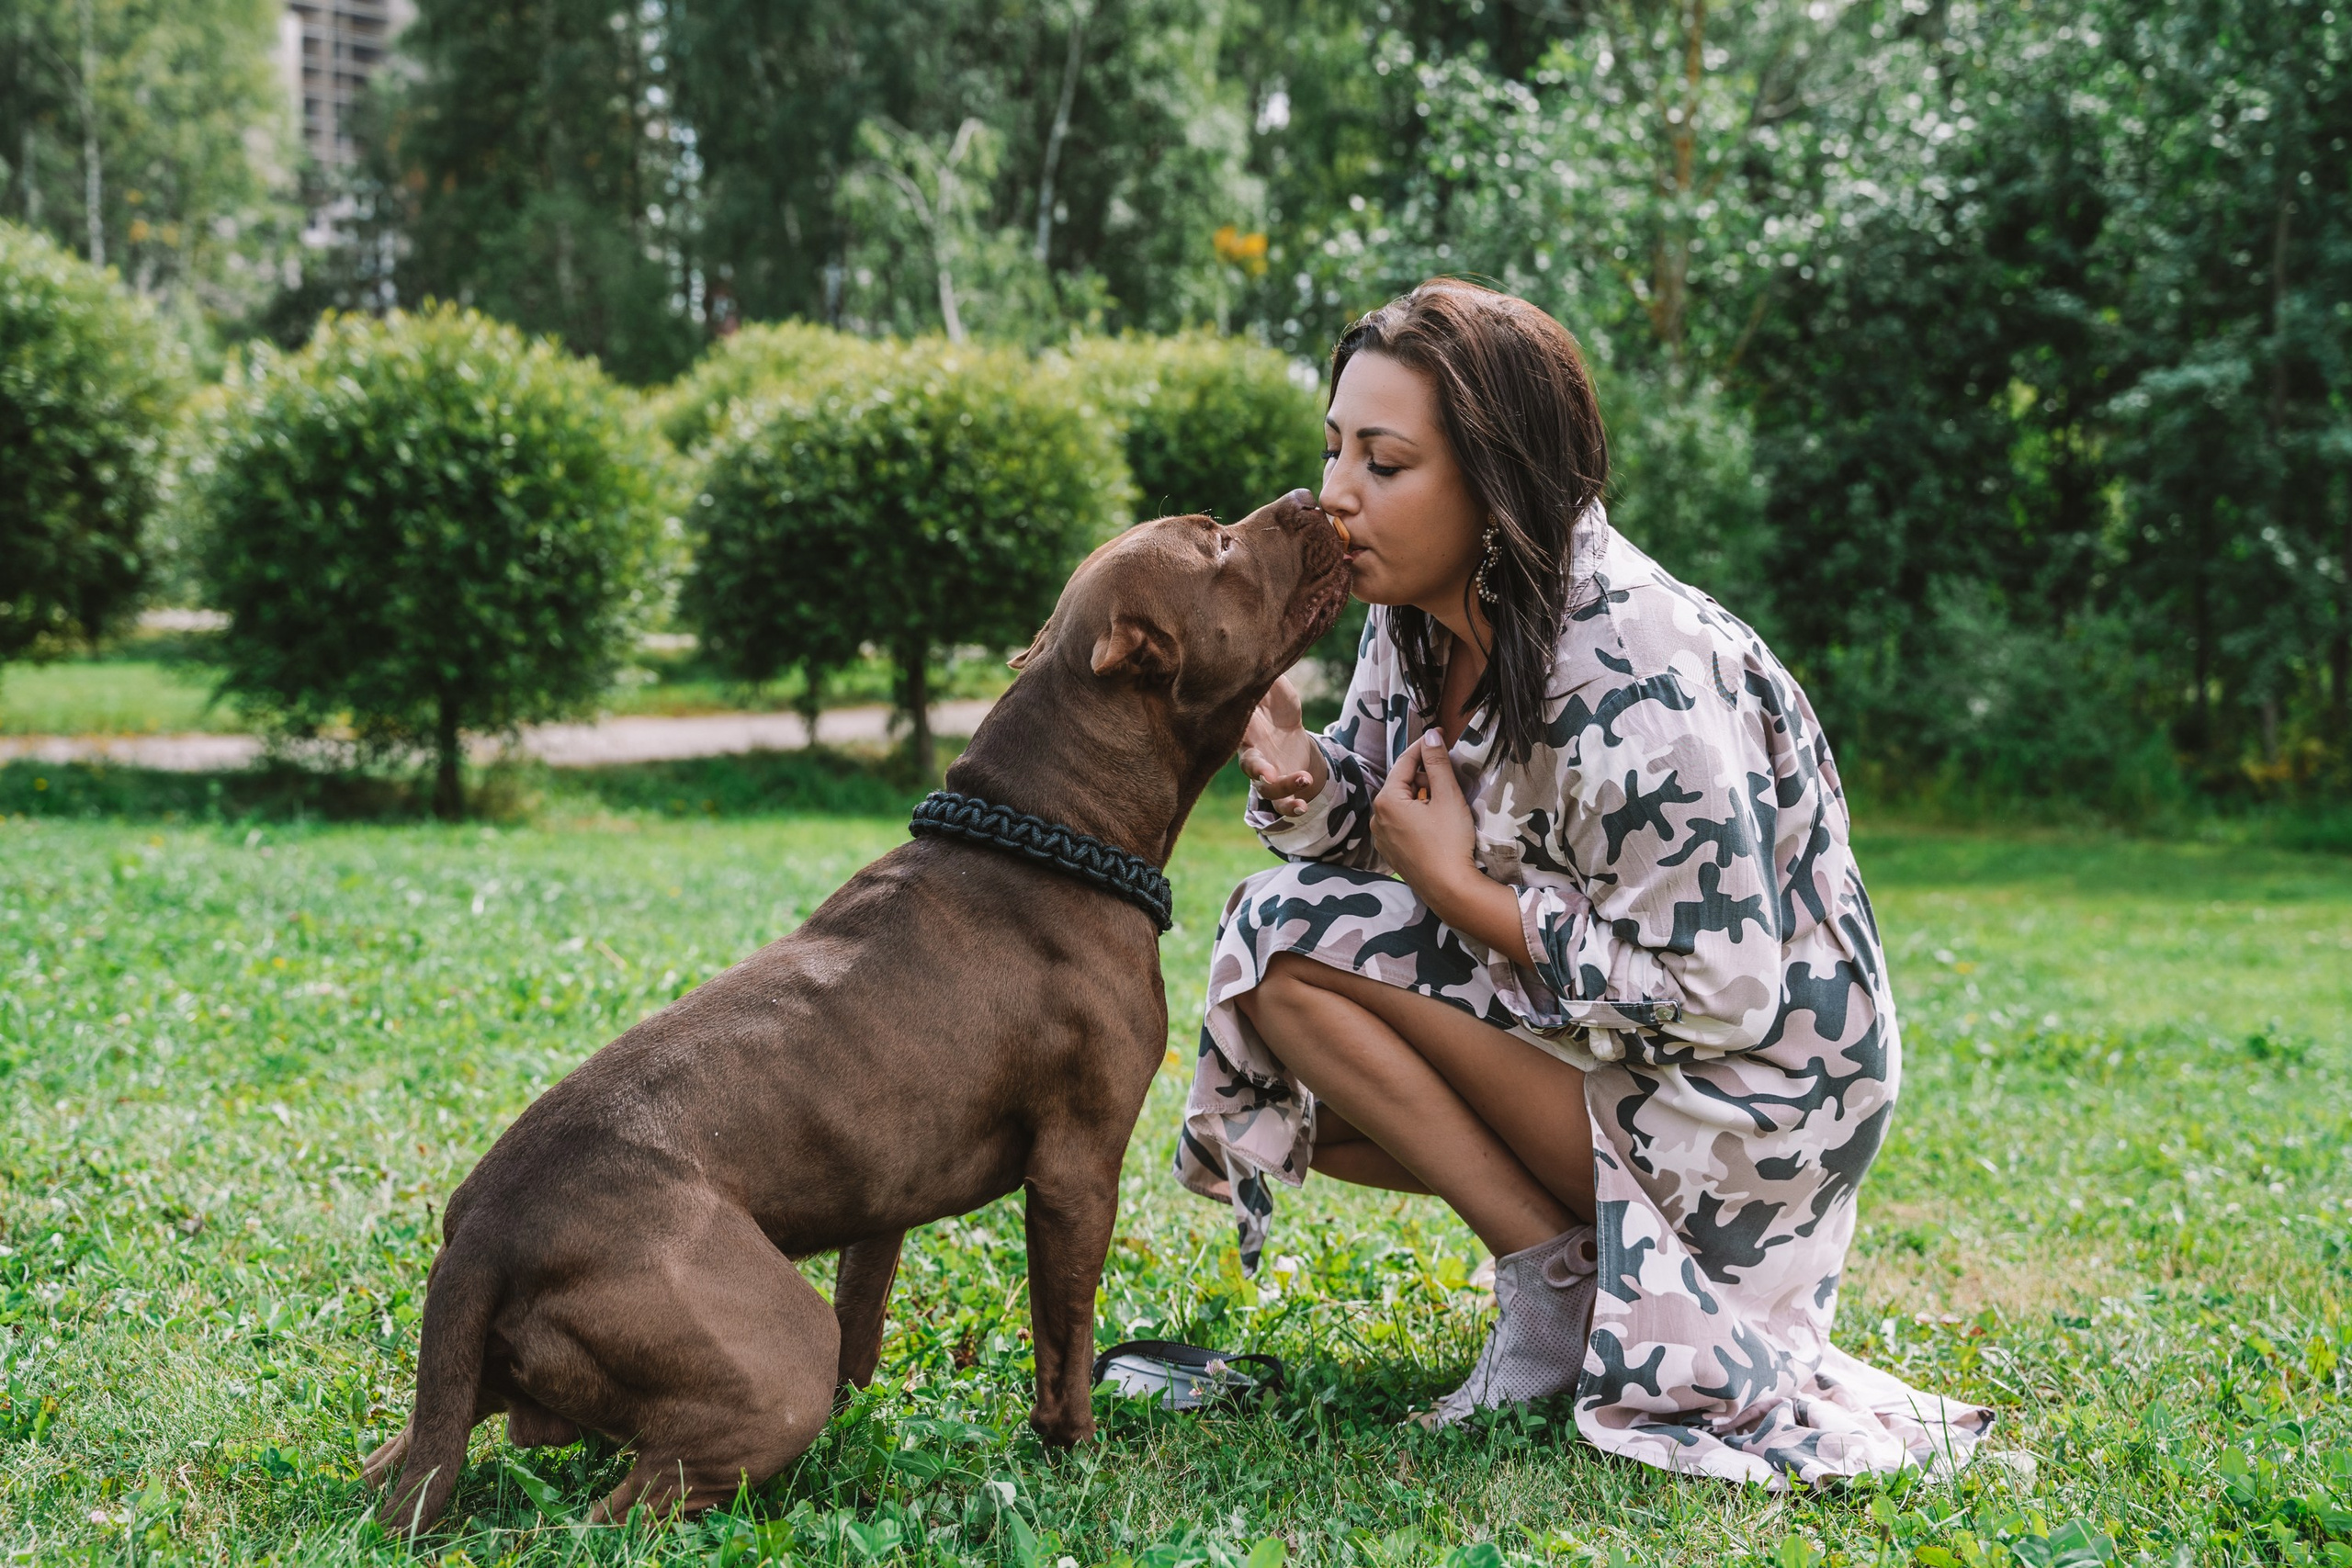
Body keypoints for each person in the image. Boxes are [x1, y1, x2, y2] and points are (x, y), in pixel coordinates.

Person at [1173, 279, 1991, 1483]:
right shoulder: (1420, 618)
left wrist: (1466, 897)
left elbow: (1725, 997)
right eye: (1334, 448)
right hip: (1608, 1041)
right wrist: (1305, 777)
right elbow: (1396, 829)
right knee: (1304, 1072)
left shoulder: (1636, 674)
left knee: (1282, 941)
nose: (1337, 493)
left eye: (1384, 463)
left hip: (1752, 1115)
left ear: (1497, 482)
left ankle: (1561, 1294)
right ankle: (1568, 1279)